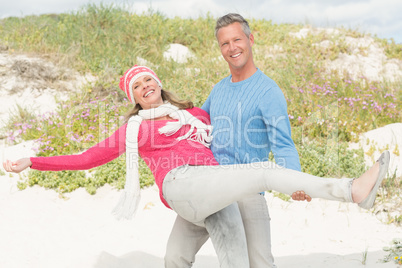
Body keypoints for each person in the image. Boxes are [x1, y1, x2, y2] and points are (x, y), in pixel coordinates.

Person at [3, 65, 390, 268]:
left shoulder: (195, 114)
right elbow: (85, 158)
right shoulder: (135, 129)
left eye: (149, 80)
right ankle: (350, 190)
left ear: (159, 82)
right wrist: (32, 161)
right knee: (265, 172)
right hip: (182, 185)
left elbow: (234, 114)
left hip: (211, 190)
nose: (146, 87)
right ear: (134, 98)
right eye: (137, 87)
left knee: (179, 259)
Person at [165, 13, 305, 268]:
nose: (232, 48)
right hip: (208, 186)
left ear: (250, 39)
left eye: (237, 40)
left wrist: (295, 180)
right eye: (225, 43)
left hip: (246, 189)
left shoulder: (268, 91)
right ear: (220, 49)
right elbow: (197, 125)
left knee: (259, 263)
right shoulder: (218, 89)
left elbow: (283, 144)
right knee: (175, 257)